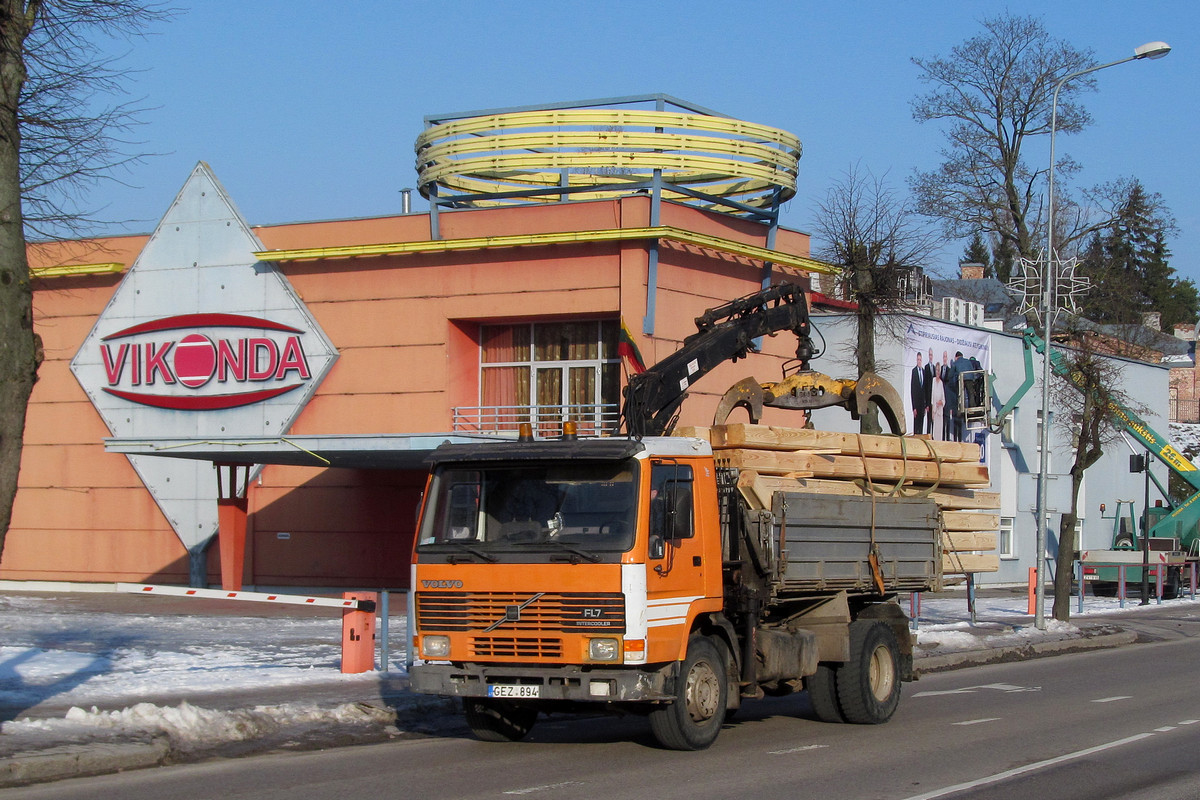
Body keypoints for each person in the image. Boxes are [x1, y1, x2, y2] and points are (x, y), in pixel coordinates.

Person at [939, 351, 955, 441]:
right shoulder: (940, 370)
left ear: (947, 358)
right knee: (941, 420)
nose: (945, 358)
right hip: (941, 399)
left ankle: (947, 437)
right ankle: (942, 437)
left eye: (946, 357)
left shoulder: (950, 371)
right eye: (943, 356)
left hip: (948, 400)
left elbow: (952, 389)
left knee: (947, 420)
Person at [910, 351, 927, 434]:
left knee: (921, 423)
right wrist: (914, 407)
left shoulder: (924, 372)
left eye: (920, 360)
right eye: (918, 359)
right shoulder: (914, 371)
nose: (919, 361)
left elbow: (925, 389)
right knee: (916, 424)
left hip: (922, 404)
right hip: (916, 404)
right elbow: (913, 390)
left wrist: (925, 404)